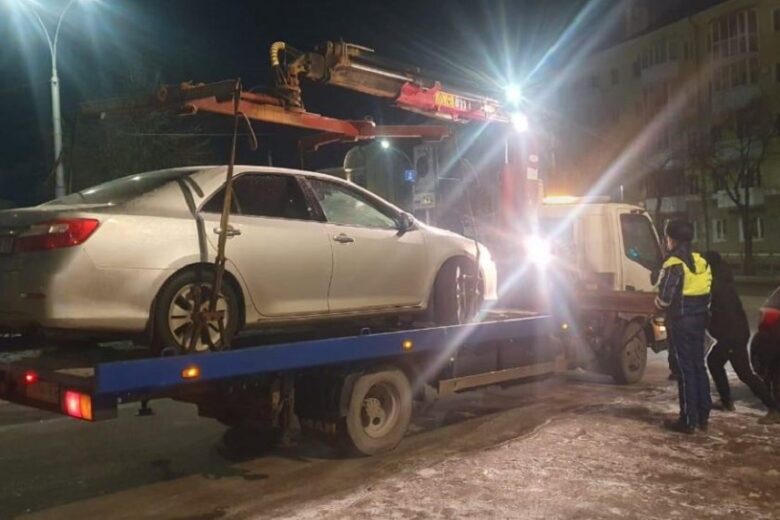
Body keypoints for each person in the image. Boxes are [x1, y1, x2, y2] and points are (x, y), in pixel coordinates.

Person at [702, 251, 780, 424]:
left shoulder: (719, 286)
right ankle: (726, 401)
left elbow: (724, 315)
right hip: (732, 334)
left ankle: (773, 408)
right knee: (714, 361)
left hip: (732, 336)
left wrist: (713, 327)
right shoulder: (721, 280)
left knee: (744, 373)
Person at [655, 220, 712, 434]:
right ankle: (703, 416)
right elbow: (707, 293)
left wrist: (657, 304)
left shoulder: (674, 264)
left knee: (685, 370)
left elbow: (665, 298)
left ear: (672, 239)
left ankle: (688, 420)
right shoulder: (702, 261)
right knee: (699, 366)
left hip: (681, 323)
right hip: (699, 321)